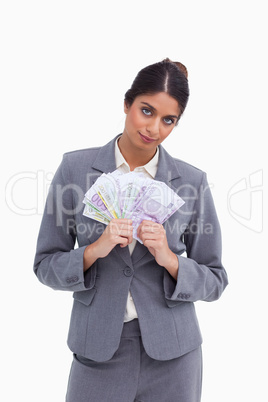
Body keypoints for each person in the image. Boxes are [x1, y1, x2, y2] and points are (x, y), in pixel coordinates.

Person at [33, 58, 228, 402]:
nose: (154, 127)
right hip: (98, 352)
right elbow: (45, 265)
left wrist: (170, 259)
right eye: (146, 110)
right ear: (126, 103)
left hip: (175, 356)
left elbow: (215, 280)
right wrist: (94, 250)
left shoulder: (191, 182)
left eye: (168, 120)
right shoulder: (75, 170)